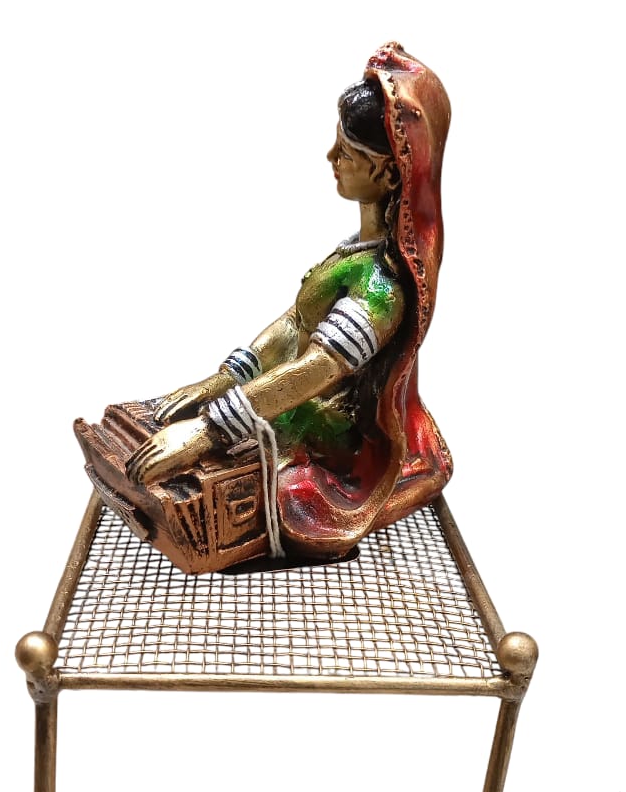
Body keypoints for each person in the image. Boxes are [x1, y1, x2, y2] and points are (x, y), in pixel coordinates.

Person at [124, 42, 452, 561]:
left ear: (389, 175)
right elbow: (295, 324)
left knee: (223, 480)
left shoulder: (382, 286)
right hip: (288, 403)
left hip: (328, 437)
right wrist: (221, 381)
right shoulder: (353, 252)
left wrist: (209, 430)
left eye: (347, 153)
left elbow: (317, 368)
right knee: (156, 429)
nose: (331, 159)